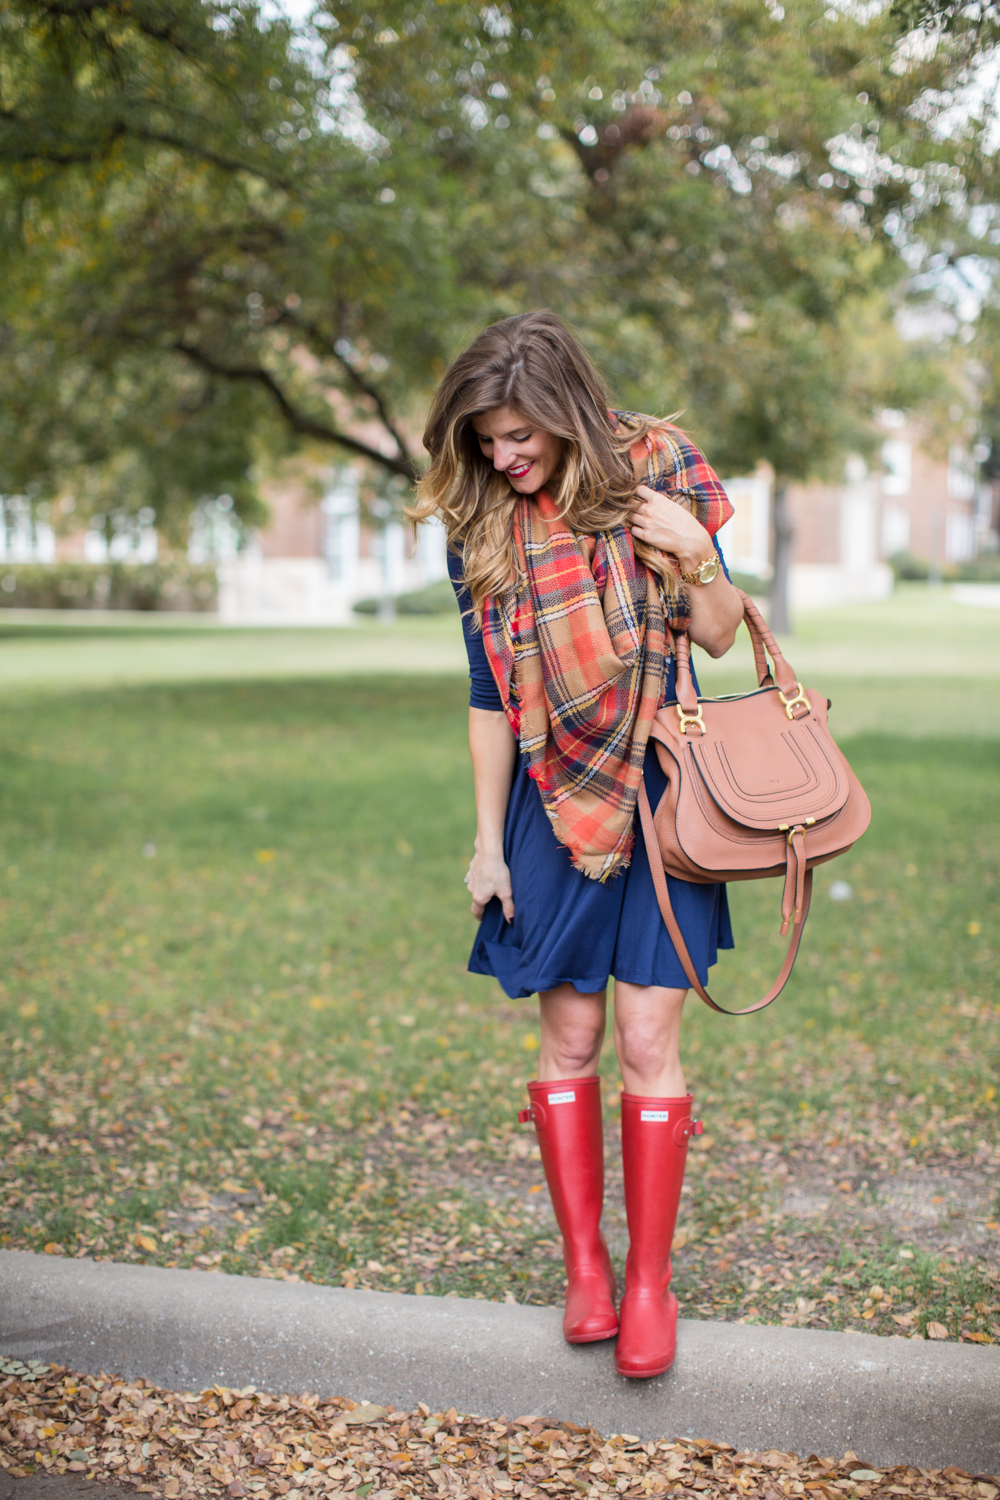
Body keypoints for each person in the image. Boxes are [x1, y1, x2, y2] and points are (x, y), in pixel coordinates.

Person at [409, 310, 743, 1379]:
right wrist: (484, 847)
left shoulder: (657, 473)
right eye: (484, 440)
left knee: (649, 1042)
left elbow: (724, 631)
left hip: (668, 799)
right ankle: (586, 1269)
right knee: (570, 1043)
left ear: (563, 414)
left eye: (518, 436)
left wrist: (695, 555)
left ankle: (649, 1284)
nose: (502, 458)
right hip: (550, 806)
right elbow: (482, 695)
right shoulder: (483, 527)